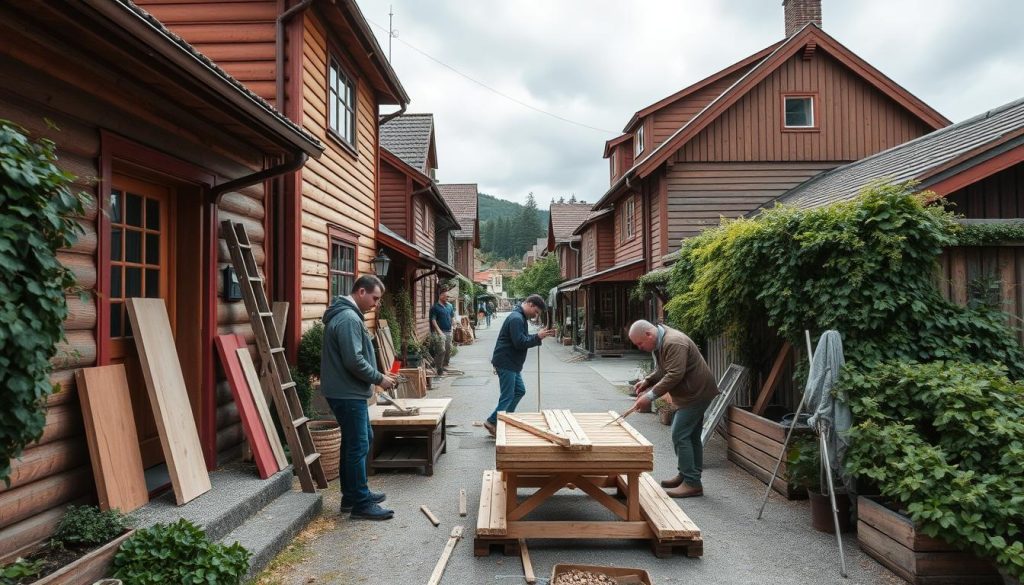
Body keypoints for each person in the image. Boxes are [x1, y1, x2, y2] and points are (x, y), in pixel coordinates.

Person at [321, 275, 397, 520]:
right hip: (347, 393)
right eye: (374, 298)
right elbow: (353, 360)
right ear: (361, 292)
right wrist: (379, 378)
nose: (376, 303)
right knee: (358, 445)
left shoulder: (348, 316)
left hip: (347, 391)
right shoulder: (348, 318)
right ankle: (360, 505)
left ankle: (351, 495)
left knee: (359, 441)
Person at [627, 320, 719, 498]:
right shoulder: (662, 340)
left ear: (649, 334)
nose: (639, 348)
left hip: (696, 394)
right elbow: (664, 368)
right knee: (691, 435)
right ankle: (688, 475)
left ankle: (692, 482)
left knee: (680, 434)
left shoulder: (673, 342)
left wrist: (650, 396)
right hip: (693, 393)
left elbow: (674, 374)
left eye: (639, 343)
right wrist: (648, 380)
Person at [483, 294, 557, 436]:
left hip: (512, 363)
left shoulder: (520, 317)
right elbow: (520, 343)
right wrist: (537, 337)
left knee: (519, 391)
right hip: (506, 362)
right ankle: (492, 421)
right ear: (530, 304)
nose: (535, 316)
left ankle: (504, 420)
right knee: (508, 395)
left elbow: (522, 339)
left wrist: (538, 337)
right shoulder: (516, 319)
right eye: (535, 312)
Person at [429, 290, 453, 375]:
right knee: (441, 350)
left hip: (449, 331)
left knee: (448, 350)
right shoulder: (435, 307)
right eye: (446, 296)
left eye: (448, 297)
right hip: (440, 332)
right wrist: (439, 331)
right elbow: (433, 320)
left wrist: (453, 326)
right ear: (441, 296)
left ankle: (442, 365)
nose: (448, 298)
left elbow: (451, 317)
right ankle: (439, 369)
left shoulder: (450, 306)